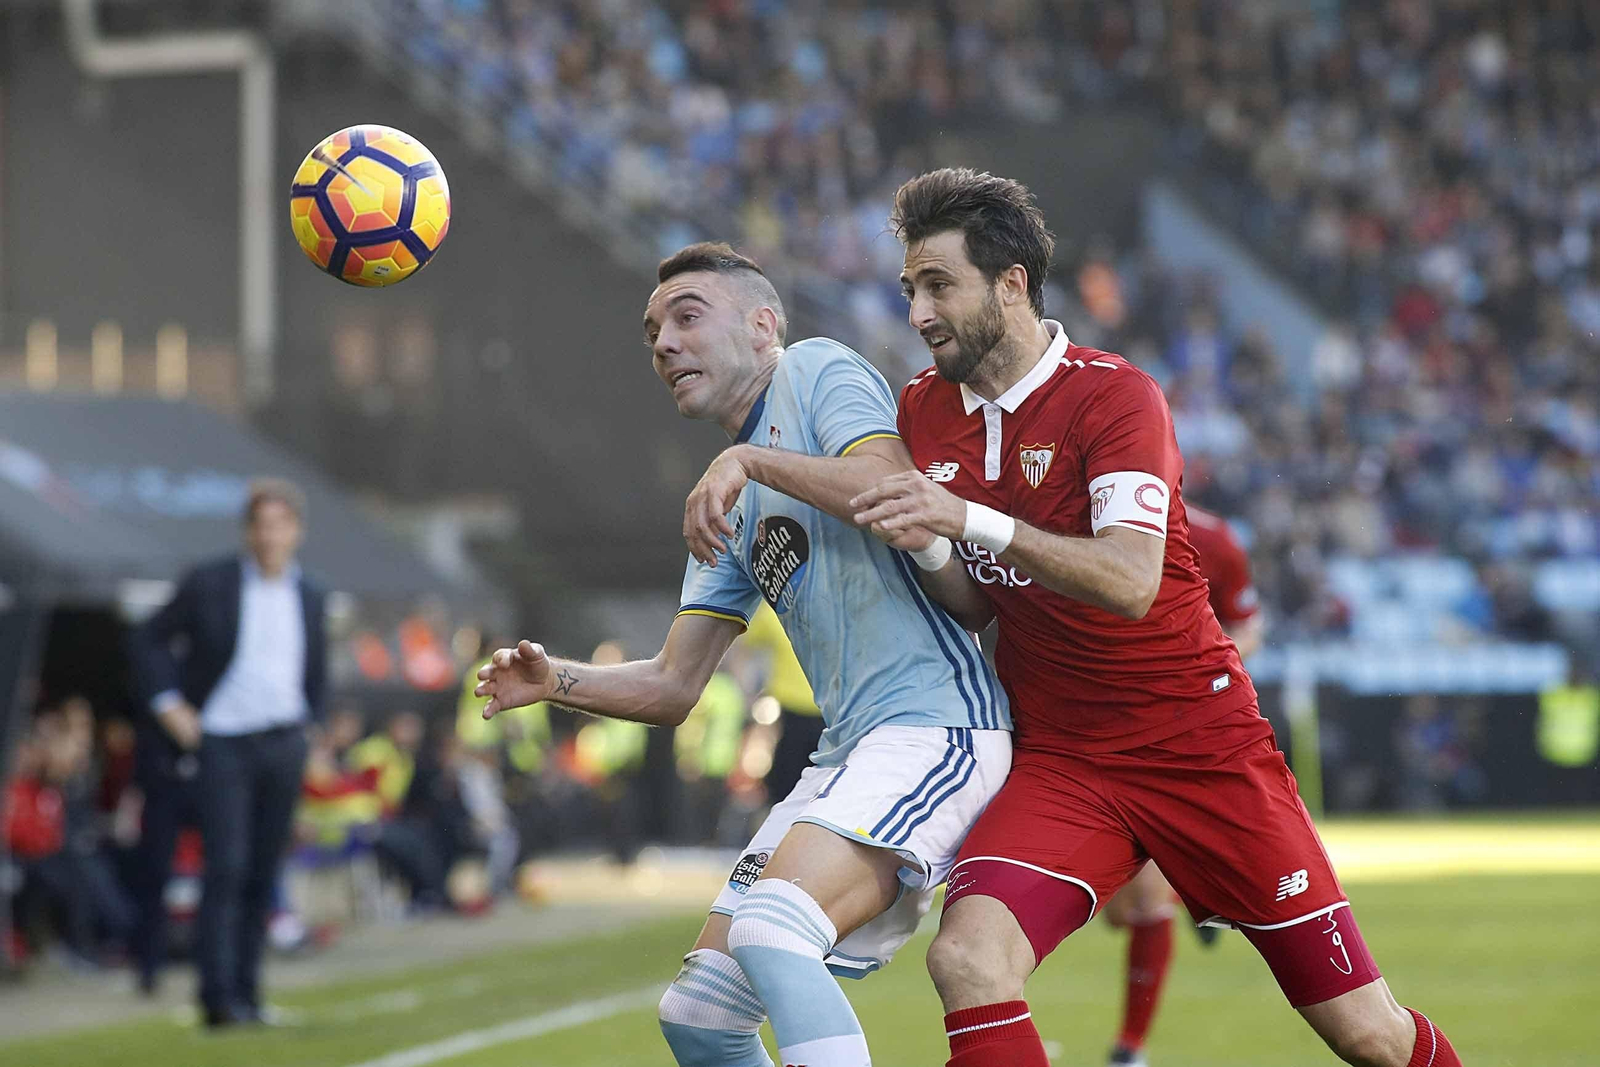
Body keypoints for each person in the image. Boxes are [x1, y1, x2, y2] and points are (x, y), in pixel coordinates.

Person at [850, 168, 1463, 1067]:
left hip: (1201, 750)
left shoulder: (1115, 395)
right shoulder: (921, 408)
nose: (917, 312)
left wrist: (967, 520)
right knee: (968, 959)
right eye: (911, 288)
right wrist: (906, 534)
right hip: (1064, 759)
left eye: (938, 285)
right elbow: (973, 598)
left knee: (1368, 1032)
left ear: (1011, 283)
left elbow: (1132, 580)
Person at [476, 241, 1011, 1067]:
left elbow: (889, 490)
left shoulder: (813, 371)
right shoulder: (725, 499)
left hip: (938, 727)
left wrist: (747, 458)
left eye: (687, 317)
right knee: (699, 1015)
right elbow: (672, 683)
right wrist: (557, 682)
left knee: (773, 927)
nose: (664, 343)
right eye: (652, 332)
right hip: (845, 755)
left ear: (764, 327)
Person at [129, 478, 327, 1029]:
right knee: (228, 867)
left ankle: (249, 992)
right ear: (247, 531)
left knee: (264, 871)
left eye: (280, 525)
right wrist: (169, 705)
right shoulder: (211, 582)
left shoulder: (310, 594)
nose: (270, 536)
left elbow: (314, 669)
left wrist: (312, 728)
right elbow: (147, 638)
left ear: (297, 531)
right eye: (260, 525)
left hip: (283, 742)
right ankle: (217, 998)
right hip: (223, 743)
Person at [1095, 503, 1264, 1066]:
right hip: (1091, 726)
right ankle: (1193, 892)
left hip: (1177, 732)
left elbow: (1248, 624)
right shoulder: (1074, 523)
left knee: (1144, 902)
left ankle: (1130, 1049)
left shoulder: (1215, 540)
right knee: (1118, 913)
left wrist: (1196, 668)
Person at [741, 603, 823, 801]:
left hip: (804, 710)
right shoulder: (833, 607)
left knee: (788, 781)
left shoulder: (775, 609)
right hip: (808, 709)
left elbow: (744, 643)